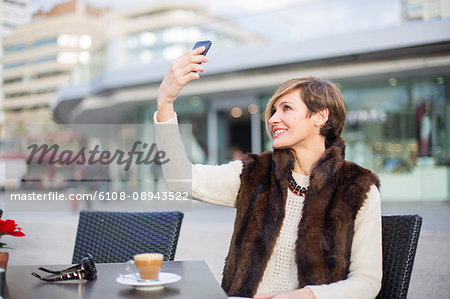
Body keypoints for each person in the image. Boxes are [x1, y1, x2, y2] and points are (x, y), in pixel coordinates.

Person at [154, 46, 382, 299]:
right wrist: (165, 103)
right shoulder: (255, 174)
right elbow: (181, 180)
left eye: (286, 108)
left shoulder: (358, 188)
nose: (273, 119)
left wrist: (301, 296)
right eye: (273, 111)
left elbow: (367, 283)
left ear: (320, 116)